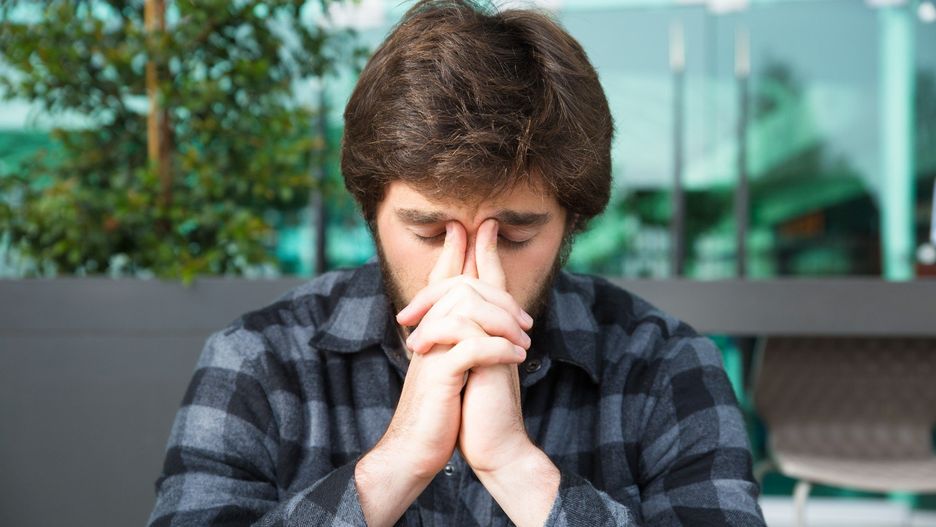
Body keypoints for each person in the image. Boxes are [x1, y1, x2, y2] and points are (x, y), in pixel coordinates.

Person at [148, 1, 766, 525]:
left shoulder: (664, 364)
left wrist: (516, 467)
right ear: (371, 210)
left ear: (574, 220)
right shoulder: (258, 361)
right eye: (426, 230)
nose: (469, 276)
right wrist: (397, 463)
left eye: (515, 236)